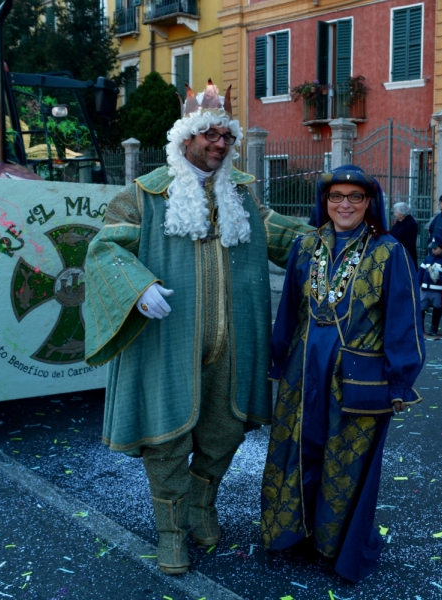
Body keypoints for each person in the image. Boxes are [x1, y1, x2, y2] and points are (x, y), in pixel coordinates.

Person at [83, 80, 309, 575]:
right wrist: (136, 286)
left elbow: (287, 237)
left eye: (226, 136)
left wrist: (347, 235)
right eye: (210, 134)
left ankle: (201, 506)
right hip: (167, 344)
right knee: (167, 439)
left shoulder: (243, 196)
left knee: (225, 432)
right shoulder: (142, 195)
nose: (220, 144)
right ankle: (170, 532)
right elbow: (104, 250)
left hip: (235, 342)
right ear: (185, 136)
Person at [261, 165, 425, 582]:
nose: (345, 204)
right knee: (297, 450)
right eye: (336, 196)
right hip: (303, 372)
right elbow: (289, 312)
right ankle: (293, 533)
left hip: (358, 376)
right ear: (325, 202)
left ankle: (334, 545)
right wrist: (279, 358)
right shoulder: (305, 246)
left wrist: (400, 380)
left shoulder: (389, 252)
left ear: (369, 203)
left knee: (343, 460)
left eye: (355, 197)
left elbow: (403, 322)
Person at [419, 234, 442, 335]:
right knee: (420, 307)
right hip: (425, 289)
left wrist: (438, 278)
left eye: (435, 248)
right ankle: (420, 327)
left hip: (437, 290)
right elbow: (420, 272)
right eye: (432, 248)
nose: (433, 250)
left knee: (437, 308)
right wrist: (417, 283)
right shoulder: (428, 259)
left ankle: (434, 328)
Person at [390, 201, 418, 269]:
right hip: (397, 252)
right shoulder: (399, 221)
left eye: (396, 212)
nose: (394, 214)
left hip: (405, 255)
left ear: (402, 214)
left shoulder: (411, 224)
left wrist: (403, 255)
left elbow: (410, 243)